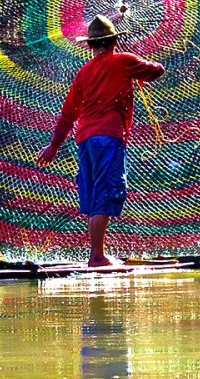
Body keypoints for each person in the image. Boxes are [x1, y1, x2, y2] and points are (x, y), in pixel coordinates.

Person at [36, 15, 165, 267]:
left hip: (84, 140)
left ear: (90, 46)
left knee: (96, 193)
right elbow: (157, 71)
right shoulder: (125, 61)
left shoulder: (83, 73)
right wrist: (137, 64)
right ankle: (97, 256)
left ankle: (97, 253)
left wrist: (53, 146)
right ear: (115, 41)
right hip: (108, 137)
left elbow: (68, 114)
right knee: (107, 191)